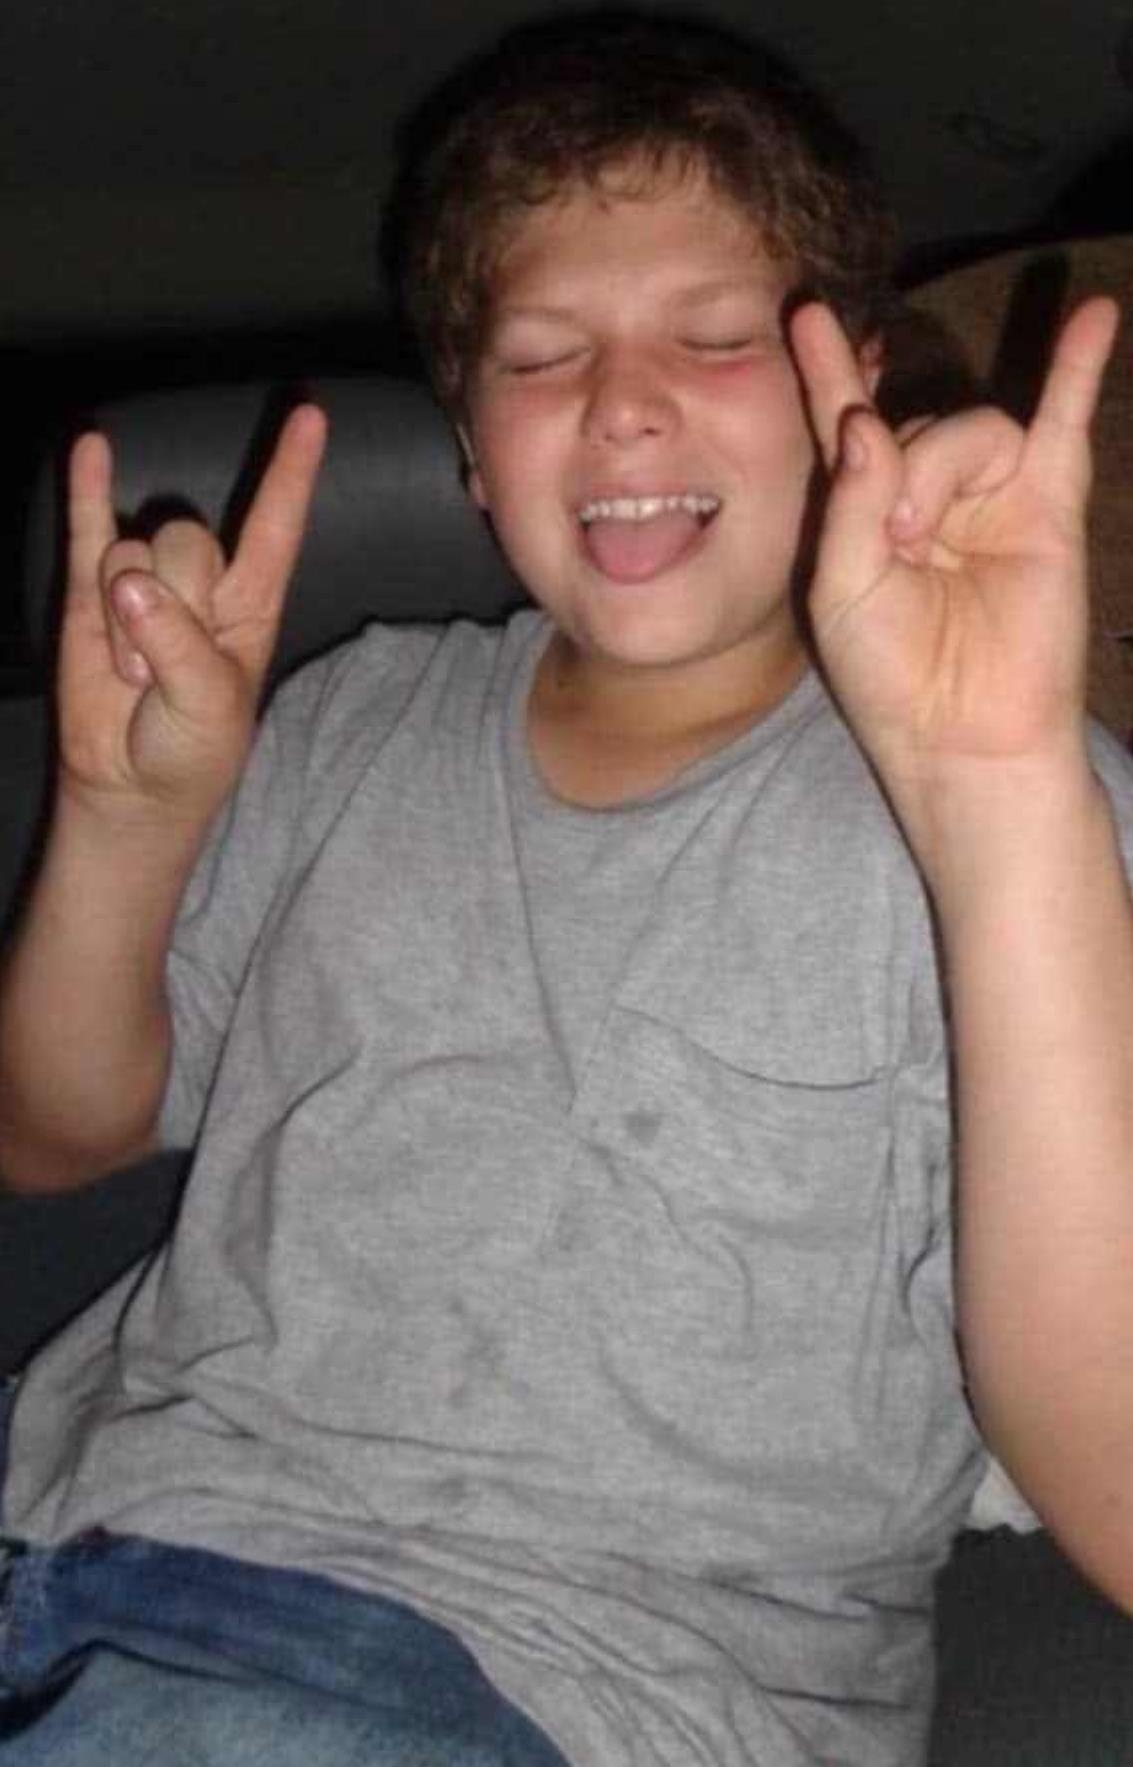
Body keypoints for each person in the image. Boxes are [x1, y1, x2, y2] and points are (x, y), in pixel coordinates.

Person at [1, 9, 1132, 1765]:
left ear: (850, 396)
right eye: (539, 359)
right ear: (470, 453)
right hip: (71, 1550)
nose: (621, 402)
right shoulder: (355, 716)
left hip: (554, 1678)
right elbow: (53, 1139)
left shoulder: (1011, 808)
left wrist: (995, 787)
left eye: (715, 336)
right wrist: (122, 817)